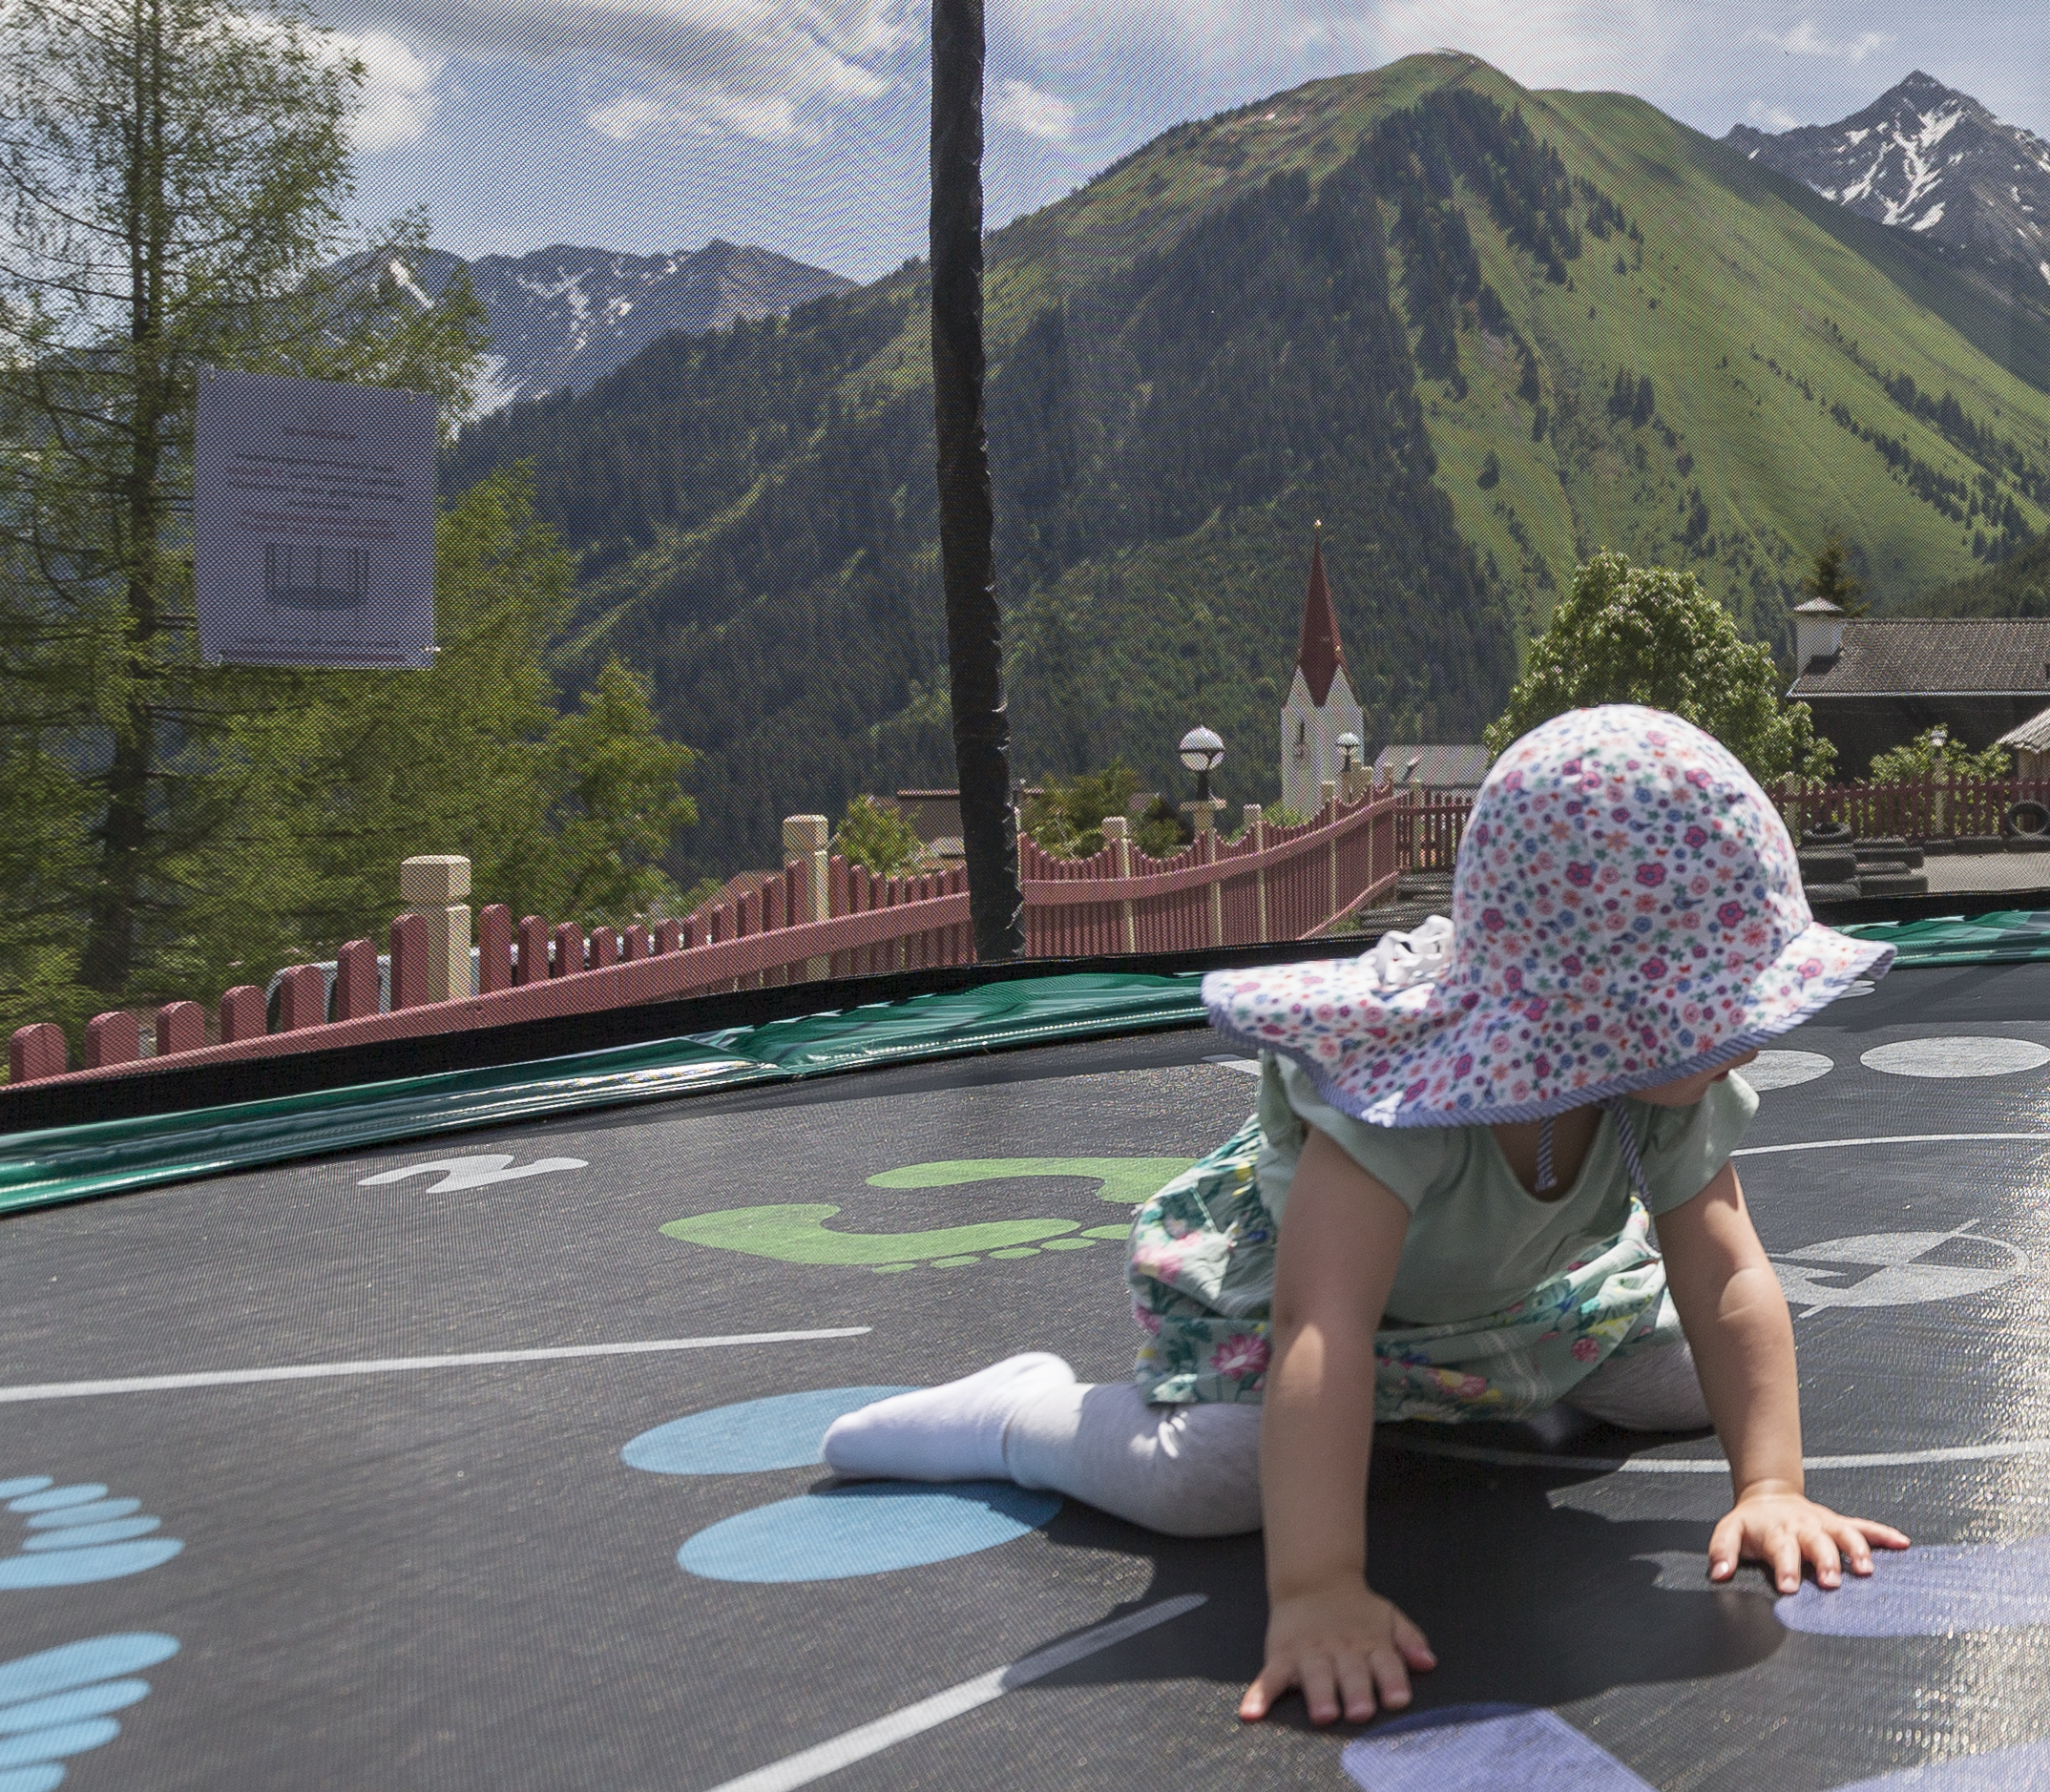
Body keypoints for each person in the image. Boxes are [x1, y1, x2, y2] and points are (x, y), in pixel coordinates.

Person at [818, 703, 1912, 1727]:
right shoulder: (1399, 1099)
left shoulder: (1665, 1078)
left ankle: (1454, 1391)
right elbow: (1318, 1326)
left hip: (1518, 1299)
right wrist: (1316, 1586)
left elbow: (1726, 1277)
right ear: (1592, 1017)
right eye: (1723, 1007)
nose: (1750, 1034)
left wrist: (1769, 1484)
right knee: (1208, 1478)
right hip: (1315, 1308)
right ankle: (1019, 1417)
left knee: (1691, 1383)